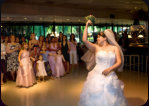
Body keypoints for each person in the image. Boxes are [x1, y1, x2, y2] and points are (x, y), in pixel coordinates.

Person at [78, 20, 128, 106]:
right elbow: (84, 40)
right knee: (96, 97)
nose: (97, 38)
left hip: (110, 75)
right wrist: (86, 26)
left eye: (99, 37)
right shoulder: (95, 47)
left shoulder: (114, 48)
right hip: (97, 74)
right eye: (97, 37)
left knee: (111, 97)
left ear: (105, 38)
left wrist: (110, 69)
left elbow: (119, 62)